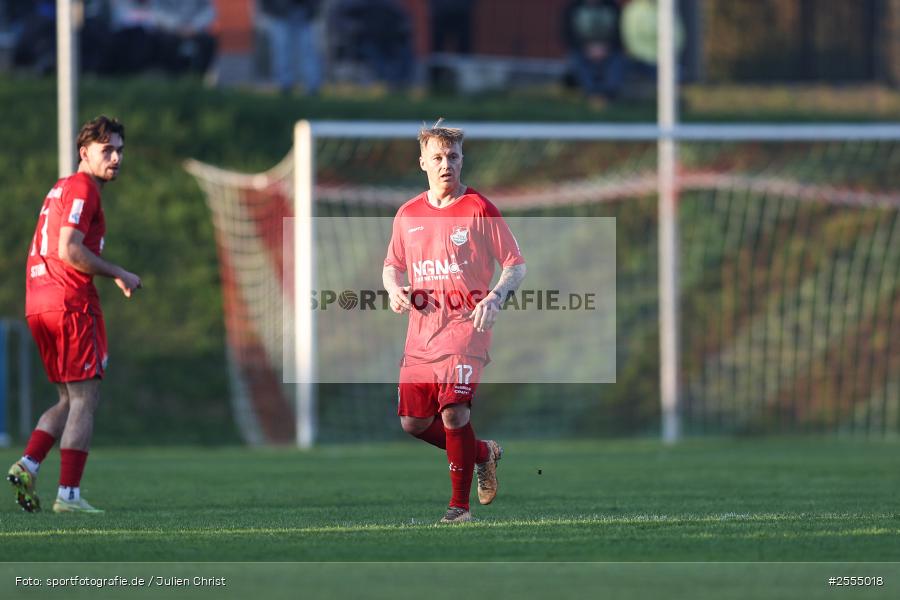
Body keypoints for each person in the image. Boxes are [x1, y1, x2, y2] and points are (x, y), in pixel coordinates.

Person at [382, 120, 526, 523]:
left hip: (467, 328)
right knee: (414, 423)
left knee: (454, 414)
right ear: (423, 163)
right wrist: (393, 289)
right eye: (438, 157)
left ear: (462, 160)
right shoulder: (408, 214)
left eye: (453, 156)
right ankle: (482, 453)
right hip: (422, 334)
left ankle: (458, 509)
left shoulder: (479, 208)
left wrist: (495, 296)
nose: (446, 164)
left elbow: (516, 265)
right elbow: (392, 265)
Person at [8, 116, 141, 514]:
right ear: (85, 153)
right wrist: (118, 273)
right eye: (107, 150)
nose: (116, 158)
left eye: (119, 150)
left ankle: (28, 465)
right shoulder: (84, 187)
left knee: (68, 397)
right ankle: (68, 495)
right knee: (85, 397)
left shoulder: (62, 187)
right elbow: (69, 248)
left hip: (39, 302)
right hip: (69, 302)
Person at [562, 0, 626, 100]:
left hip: (609, 50)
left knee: (619, 61)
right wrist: (586, 48)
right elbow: (566, 34)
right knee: (577, 61)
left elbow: (621, 33)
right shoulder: (572, 8)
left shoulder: (613, 7)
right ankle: (593, 93)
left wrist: (605, 48)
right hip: (582, 50)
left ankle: (609, 93)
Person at [257, 0, 323, 94]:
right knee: (282, 50)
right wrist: (269, 9)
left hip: (303, 12)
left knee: (307, 50)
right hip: (279, 13)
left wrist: (313, 8)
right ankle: (285, 85)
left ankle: (312, 85)